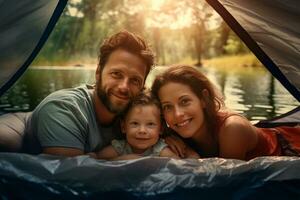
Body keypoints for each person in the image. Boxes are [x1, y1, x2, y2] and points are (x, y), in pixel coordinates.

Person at [21, 30, 155, 157]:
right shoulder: (63, 109)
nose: (124, 87)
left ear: (142, 86)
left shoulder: (136, 115)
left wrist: (172, 139)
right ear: (98, 72)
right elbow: (68, 175)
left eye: (135, 80)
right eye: (116, 74)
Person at [151, 65, 300, 160]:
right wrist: (166, 136)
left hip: (291, 146)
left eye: (185, 101)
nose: (177, 114)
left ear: (204, 98)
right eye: (167, 107)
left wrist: (190, 154)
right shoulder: (173, 135)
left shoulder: (232, 129)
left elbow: (224, 185)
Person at [93, 90, 178, 160]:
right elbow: (95, 159)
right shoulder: (120, 147)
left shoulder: (159, 149)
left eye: (150, 124)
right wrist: (122, 159)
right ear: (123, 127)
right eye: (135, 123)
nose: (142, 130)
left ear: (161, 129)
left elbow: (178, 165)